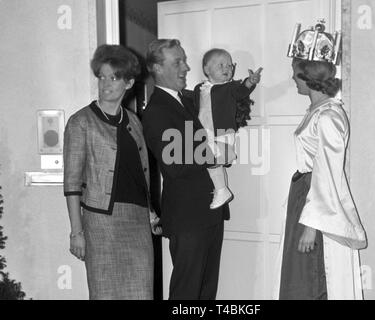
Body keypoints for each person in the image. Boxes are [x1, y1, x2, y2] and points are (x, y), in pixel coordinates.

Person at [63, 44, 161, 300]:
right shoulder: (81, 121)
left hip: (138, 221)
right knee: (105, 294)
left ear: (128, 83)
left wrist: (150, 212)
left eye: (114, 77)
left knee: (142, 293)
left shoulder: (134, 121)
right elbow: (72, 183)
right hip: (101, 222)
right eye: (102, 76)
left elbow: (140, 172)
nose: (106, 83)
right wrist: (77, 231)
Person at [278, 23, 367, 300]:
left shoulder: (328, 116)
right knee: (298, 278)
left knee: (311, 280)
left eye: (296, 74)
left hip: (315, 205)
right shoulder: (317, 111)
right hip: (304, 196)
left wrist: (311, 226)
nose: (293, 79)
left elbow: (326, 172)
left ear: (308, 77)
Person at [142, 39, 234, 299]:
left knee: (206, 291)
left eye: (184, 60)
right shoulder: (157, 110)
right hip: (188, 216)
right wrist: (216, 154)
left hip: (210, 212)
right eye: (177, 62)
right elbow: (175, 164)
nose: (186, 66)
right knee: (186, 292)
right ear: (157, 69)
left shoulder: (188, 99)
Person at [193, 48, 262, 209]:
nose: (227, 69)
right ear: (206, 69)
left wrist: (250, 81)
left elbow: (242, 90)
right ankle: (220, 189)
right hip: (205, 132)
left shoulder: (230, 88)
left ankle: (222, 189)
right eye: (221, 65)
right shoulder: (199, 88)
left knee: (211, 158)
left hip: (222, 132)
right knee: (212, 162)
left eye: (230, 66)